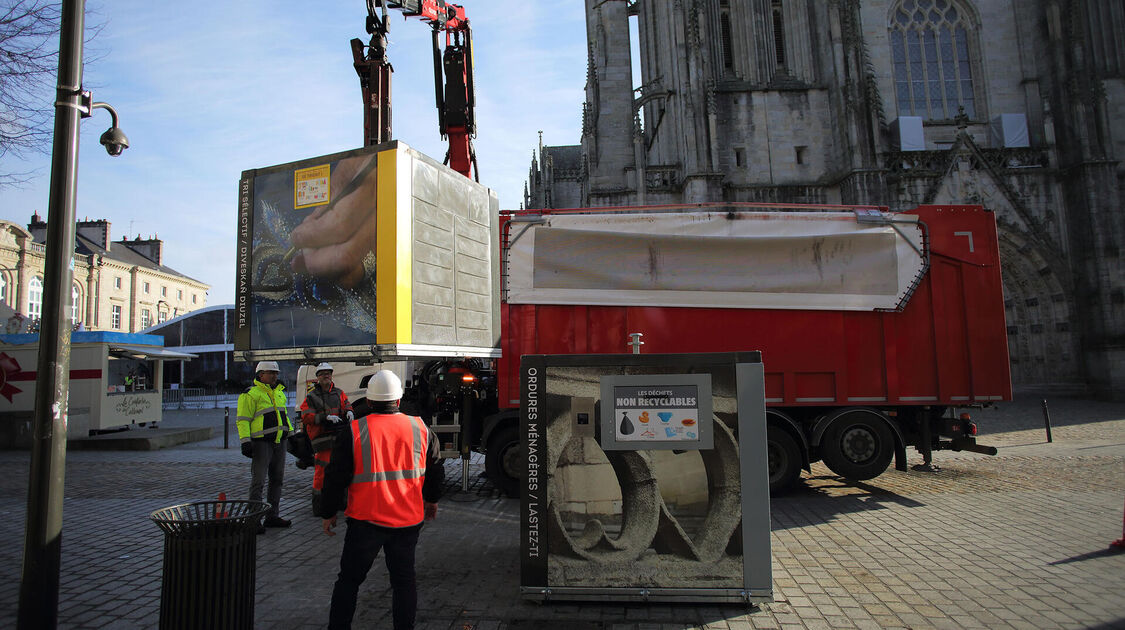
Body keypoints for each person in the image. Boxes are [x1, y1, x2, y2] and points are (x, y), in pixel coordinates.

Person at [319, 369, 444, 630]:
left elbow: (334, 476)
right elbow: (435, 470)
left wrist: (328, 512)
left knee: (349, 581)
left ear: (369, 401)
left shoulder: (354, 431)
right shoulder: (421, 429)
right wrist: (431, 501)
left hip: (365, 522)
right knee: (404, 583)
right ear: (398, 400)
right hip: (407, 523)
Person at [237, 360, 295, 533]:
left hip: (279, 442)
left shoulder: (279, 393)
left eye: (276, 373)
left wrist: (291, 435)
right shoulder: (250, 394)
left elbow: (283, 416)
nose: (275, 376)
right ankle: (254, 520)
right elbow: (243, 420)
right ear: (260, 374)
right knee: (258, 482)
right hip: (261, 443)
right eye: (271, 373)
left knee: (277, 480)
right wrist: (245, 442)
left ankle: (272, 516)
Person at [298, 362, 354, 515]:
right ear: (317, 377)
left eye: (328, 373)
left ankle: (341, 503)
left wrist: (349, 411)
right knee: (322, 473)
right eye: (322, 374)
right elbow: (306, 416)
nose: (326, 376)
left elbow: (347, 404)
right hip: (322, 440)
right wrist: (324, 417)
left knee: (341, 470)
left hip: (338, 437)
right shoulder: (311, 396)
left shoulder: (339, 393)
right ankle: (319, 506)